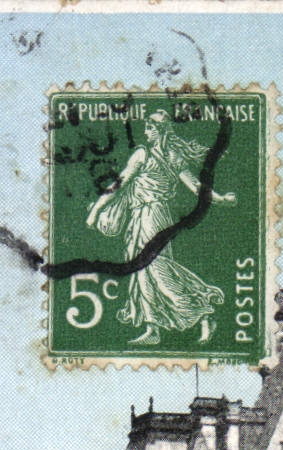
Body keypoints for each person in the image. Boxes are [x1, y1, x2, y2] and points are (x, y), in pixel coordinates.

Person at [84, 110, 234, 346]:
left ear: (161, 131)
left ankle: (203, 313)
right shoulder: (148, 154)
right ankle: (152, 327)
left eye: (150, 128)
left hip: (154, 216)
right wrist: (95, 210)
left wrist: (220, 198)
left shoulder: (159, 156)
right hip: (140, 216)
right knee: (143, 272)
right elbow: (120, 184)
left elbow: (196, 187)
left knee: (157, 270)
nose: (146, 132)